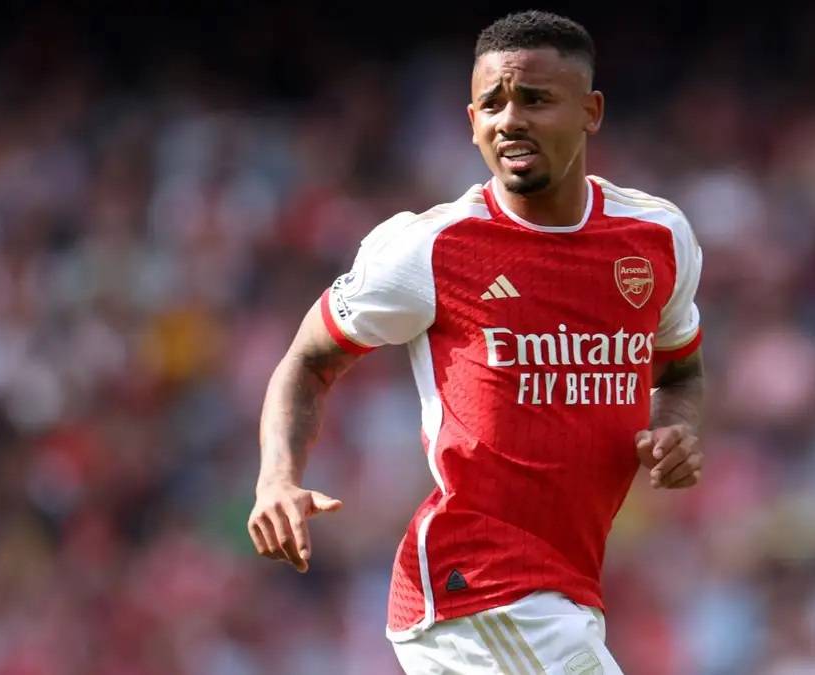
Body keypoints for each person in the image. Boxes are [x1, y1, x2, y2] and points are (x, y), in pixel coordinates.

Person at [247, 10, 705, 673]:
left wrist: (676, 428)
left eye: (535, 100)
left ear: (591, 111)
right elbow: (307, 360)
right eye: (492, 104)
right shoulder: (430, 248)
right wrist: (276, 479)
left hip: (562, 590)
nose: (509, 120)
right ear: (470, 122)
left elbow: (681, 371)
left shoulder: (657, 237)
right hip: (476, 588)